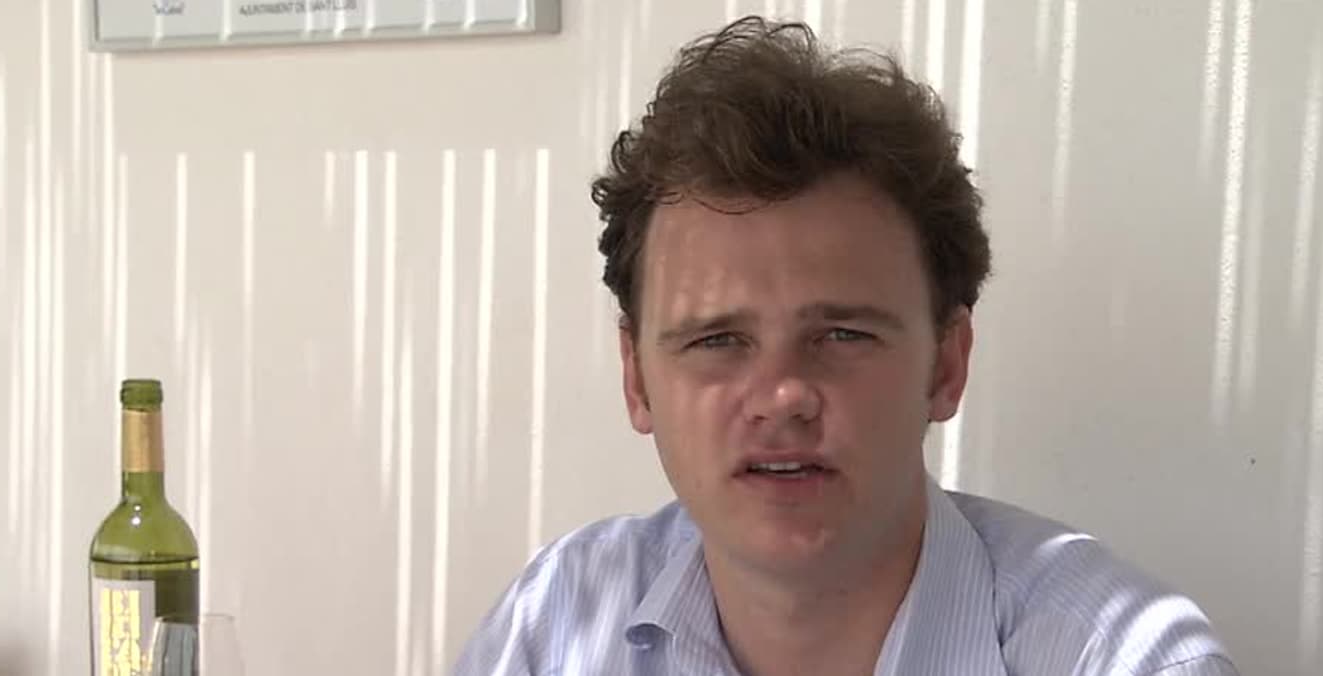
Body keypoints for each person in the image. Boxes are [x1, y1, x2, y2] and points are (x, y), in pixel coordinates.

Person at [453, 16, 1236, 676]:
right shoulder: (555, 627)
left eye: (842, 334)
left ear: (946, 364)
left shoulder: (1121, 658)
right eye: (717, 339)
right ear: (637, 379)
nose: (781, 395)